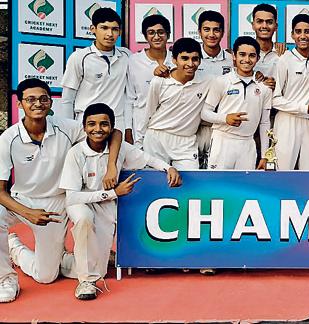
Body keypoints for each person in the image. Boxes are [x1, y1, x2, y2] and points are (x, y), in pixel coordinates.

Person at [0, 79, 121, 303]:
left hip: (55, 205)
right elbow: (0, 191)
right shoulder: (8, 139)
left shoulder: (67, 127)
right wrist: (28, 212)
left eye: (43, 98)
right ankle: (5, 277)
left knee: (46, 276)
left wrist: (111, 165)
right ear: (20, 104)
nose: (37, 103)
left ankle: (17, 248)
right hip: (21, 201)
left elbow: (114, 133)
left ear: (50, 102)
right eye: (31, 99)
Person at [59, 103, 181, 300]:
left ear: (112, 127)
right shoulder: (76, 153)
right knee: (84, 219)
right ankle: (85, 282)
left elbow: (147, 158)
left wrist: (169, 168)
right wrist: (113, 193)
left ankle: (65, 261)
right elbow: (72, 197)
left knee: (100, 269)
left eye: (104, 124)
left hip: (106, 204)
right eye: (91, 124)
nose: (97, 129)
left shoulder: (120, 148)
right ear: (83, 128)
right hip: (81, 202)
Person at [60, 8, 133, 144]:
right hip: (88, 124)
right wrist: (69, 133)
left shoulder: (127, 56)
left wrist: (129, 129)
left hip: (117, 125)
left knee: (115, 165)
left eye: (115, 29)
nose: (109, 34)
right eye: (104, 28)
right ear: (93, 29)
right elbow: (67, 99)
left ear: (120, 32)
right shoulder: (79, 57)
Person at [202, 36, 272, 170]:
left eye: (252, 55)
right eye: (242, 54)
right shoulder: (221, 81)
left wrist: (264, 155)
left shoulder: (264, 88)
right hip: (222, 141)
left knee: (243, 188)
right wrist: (225, 118)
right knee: (218, 187)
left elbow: (264, 123)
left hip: (247, 144)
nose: (246, 60)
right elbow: (205, 113)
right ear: (234, 56)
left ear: (257, 58)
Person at [142, 38, 209, 170]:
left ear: (200, 61)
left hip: (186, 142)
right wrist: (140, 141)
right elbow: (148, 113)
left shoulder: (208, 81)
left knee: (190, 184)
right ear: (174, 60)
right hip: (157, 137)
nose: (190, 63)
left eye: (195, 59)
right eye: (184, 58)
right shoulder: (159, 81)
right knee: (156, 183)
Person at [272, 14, 309, 170]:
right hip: (287, 122)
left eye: (307, 31)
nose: (303, 36)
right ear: (292, 35)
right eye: (298, 31)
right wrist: (305, 108)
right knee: (283, 172)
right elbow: (275, 99)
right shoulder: (284, 60)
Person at [194, 10, 234, 169]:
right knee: (195, 172)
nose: (211, 34)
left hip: (221, 128)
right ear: (199, 32)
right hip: (194, 127)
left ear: (223, 32)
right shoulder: (192, 58)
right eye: (206, 29)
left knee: (218, 173)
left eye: (216, 30)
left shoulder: (232, 60)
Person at [127, 14, 173, 148]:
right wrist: (128, 130)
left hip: (170, 127)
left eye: (161, 32)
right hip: (141, 128)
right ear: (145, 36)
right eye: (151, 33)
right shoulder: (134, 61)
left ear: (168, 35)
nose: (157, 37)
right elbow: (129, 99)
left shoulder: (177, 60)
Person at [251, 3, 280, 90]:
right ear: (253, 25)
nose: (264, 26)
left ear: (276, 26)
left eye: (269, 22)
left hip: (277, 102)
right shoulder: (243, 54)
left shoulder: (283, 54)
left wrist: (277, 85)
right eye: (259, 21)